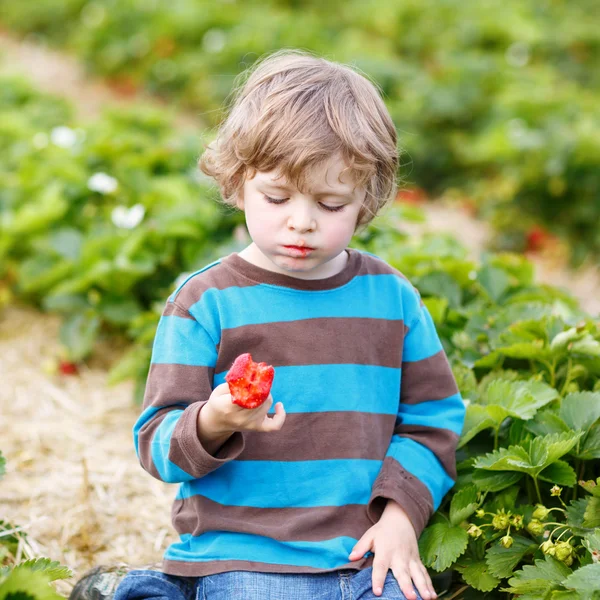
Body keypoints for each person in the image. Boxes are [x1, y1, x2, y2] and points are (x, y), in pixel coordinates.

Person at [73, 49, 465, 600]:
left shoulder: (391, 299)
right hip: (246, 551)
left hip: (364, 552)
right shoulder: (206, 302)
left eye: (330, 204)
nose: (300, 222)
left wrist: (401, 514)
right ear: (237, 183)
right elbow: (156, 441)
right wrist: (214, 418)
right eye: (276, 197)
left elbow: (433, 418)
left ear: (365, 201)